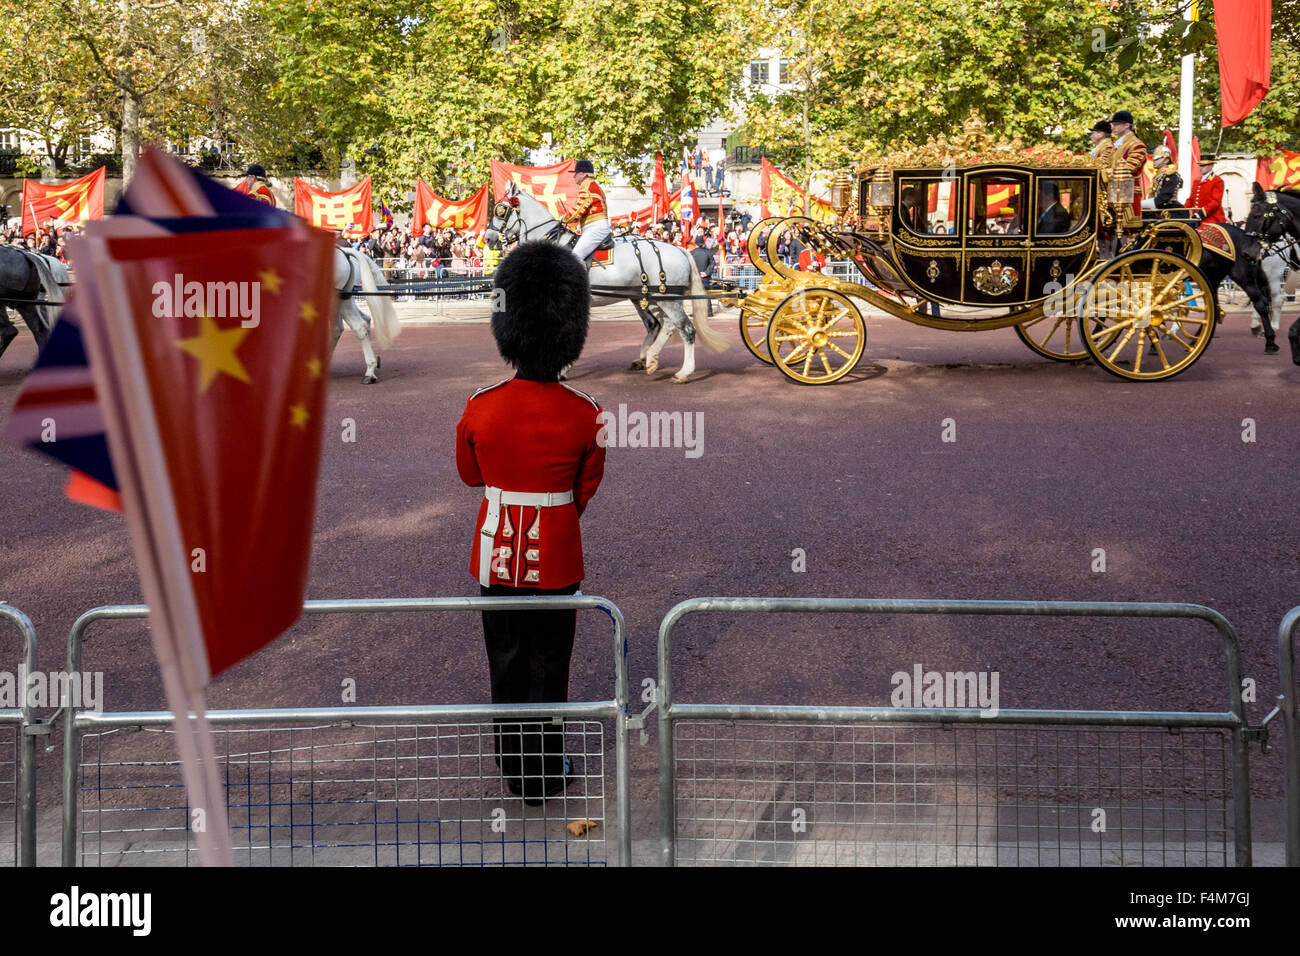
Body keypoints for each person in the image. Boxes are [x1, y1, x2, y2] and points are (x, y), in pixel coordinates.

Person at [455, 240, 606, 805]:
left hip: (495, 551)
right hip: (559, 553)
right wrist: (555, 516)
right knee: (551, 662)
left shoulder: (481, 404)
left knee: (505, 659)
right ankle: (545, 769)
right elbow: (583, 489)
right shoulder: (586, 412)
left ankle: (514, 768)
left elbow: (471, 477)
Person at [561, 159, 611, 266]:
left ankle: (580, 282)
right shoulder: (592, 185)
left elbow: (577, 212)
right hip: (592, 227)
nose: (573, 176)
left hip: (595, 228)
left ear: (583, 174)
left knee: (574, 258)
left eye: (576, 173)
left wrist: (563, 219)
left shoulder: (587, 187)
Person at [1108, 110, 1147, 215]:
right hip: (1115, 191)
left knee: (1127, 229)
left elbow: (1128, 169)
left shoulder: (1137, 145)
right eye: (1113, 125)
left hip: (1128, 194)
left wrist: (1105, 173)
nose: (1113, 127)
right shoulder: (1119, 144)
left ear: (1126, 125)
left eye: (1116, 125)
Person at [1186, 154, 1226, 223]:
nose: (1201, 168)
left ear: (1211, 166)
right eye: (1200, 165)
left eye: (1203, 166)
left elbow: (1215, 202)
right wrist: (1183, 210)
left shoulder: (1217, 180)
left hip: (1211, 218)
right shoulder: (1197, 181)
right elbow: (1191, 199)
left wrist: (1200, 213)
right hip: (1195, 217)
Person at [1141, 145, 1182, 210]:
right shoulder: (1158, 175)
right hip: (1158, 209)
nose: (1154, 161)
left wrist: (1141, 204)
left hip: (1169, 211)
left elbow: (1164, 198)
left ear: (1166, 160)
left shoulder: (1170, 175)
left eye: (1157, 159)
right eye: (1153, 159)